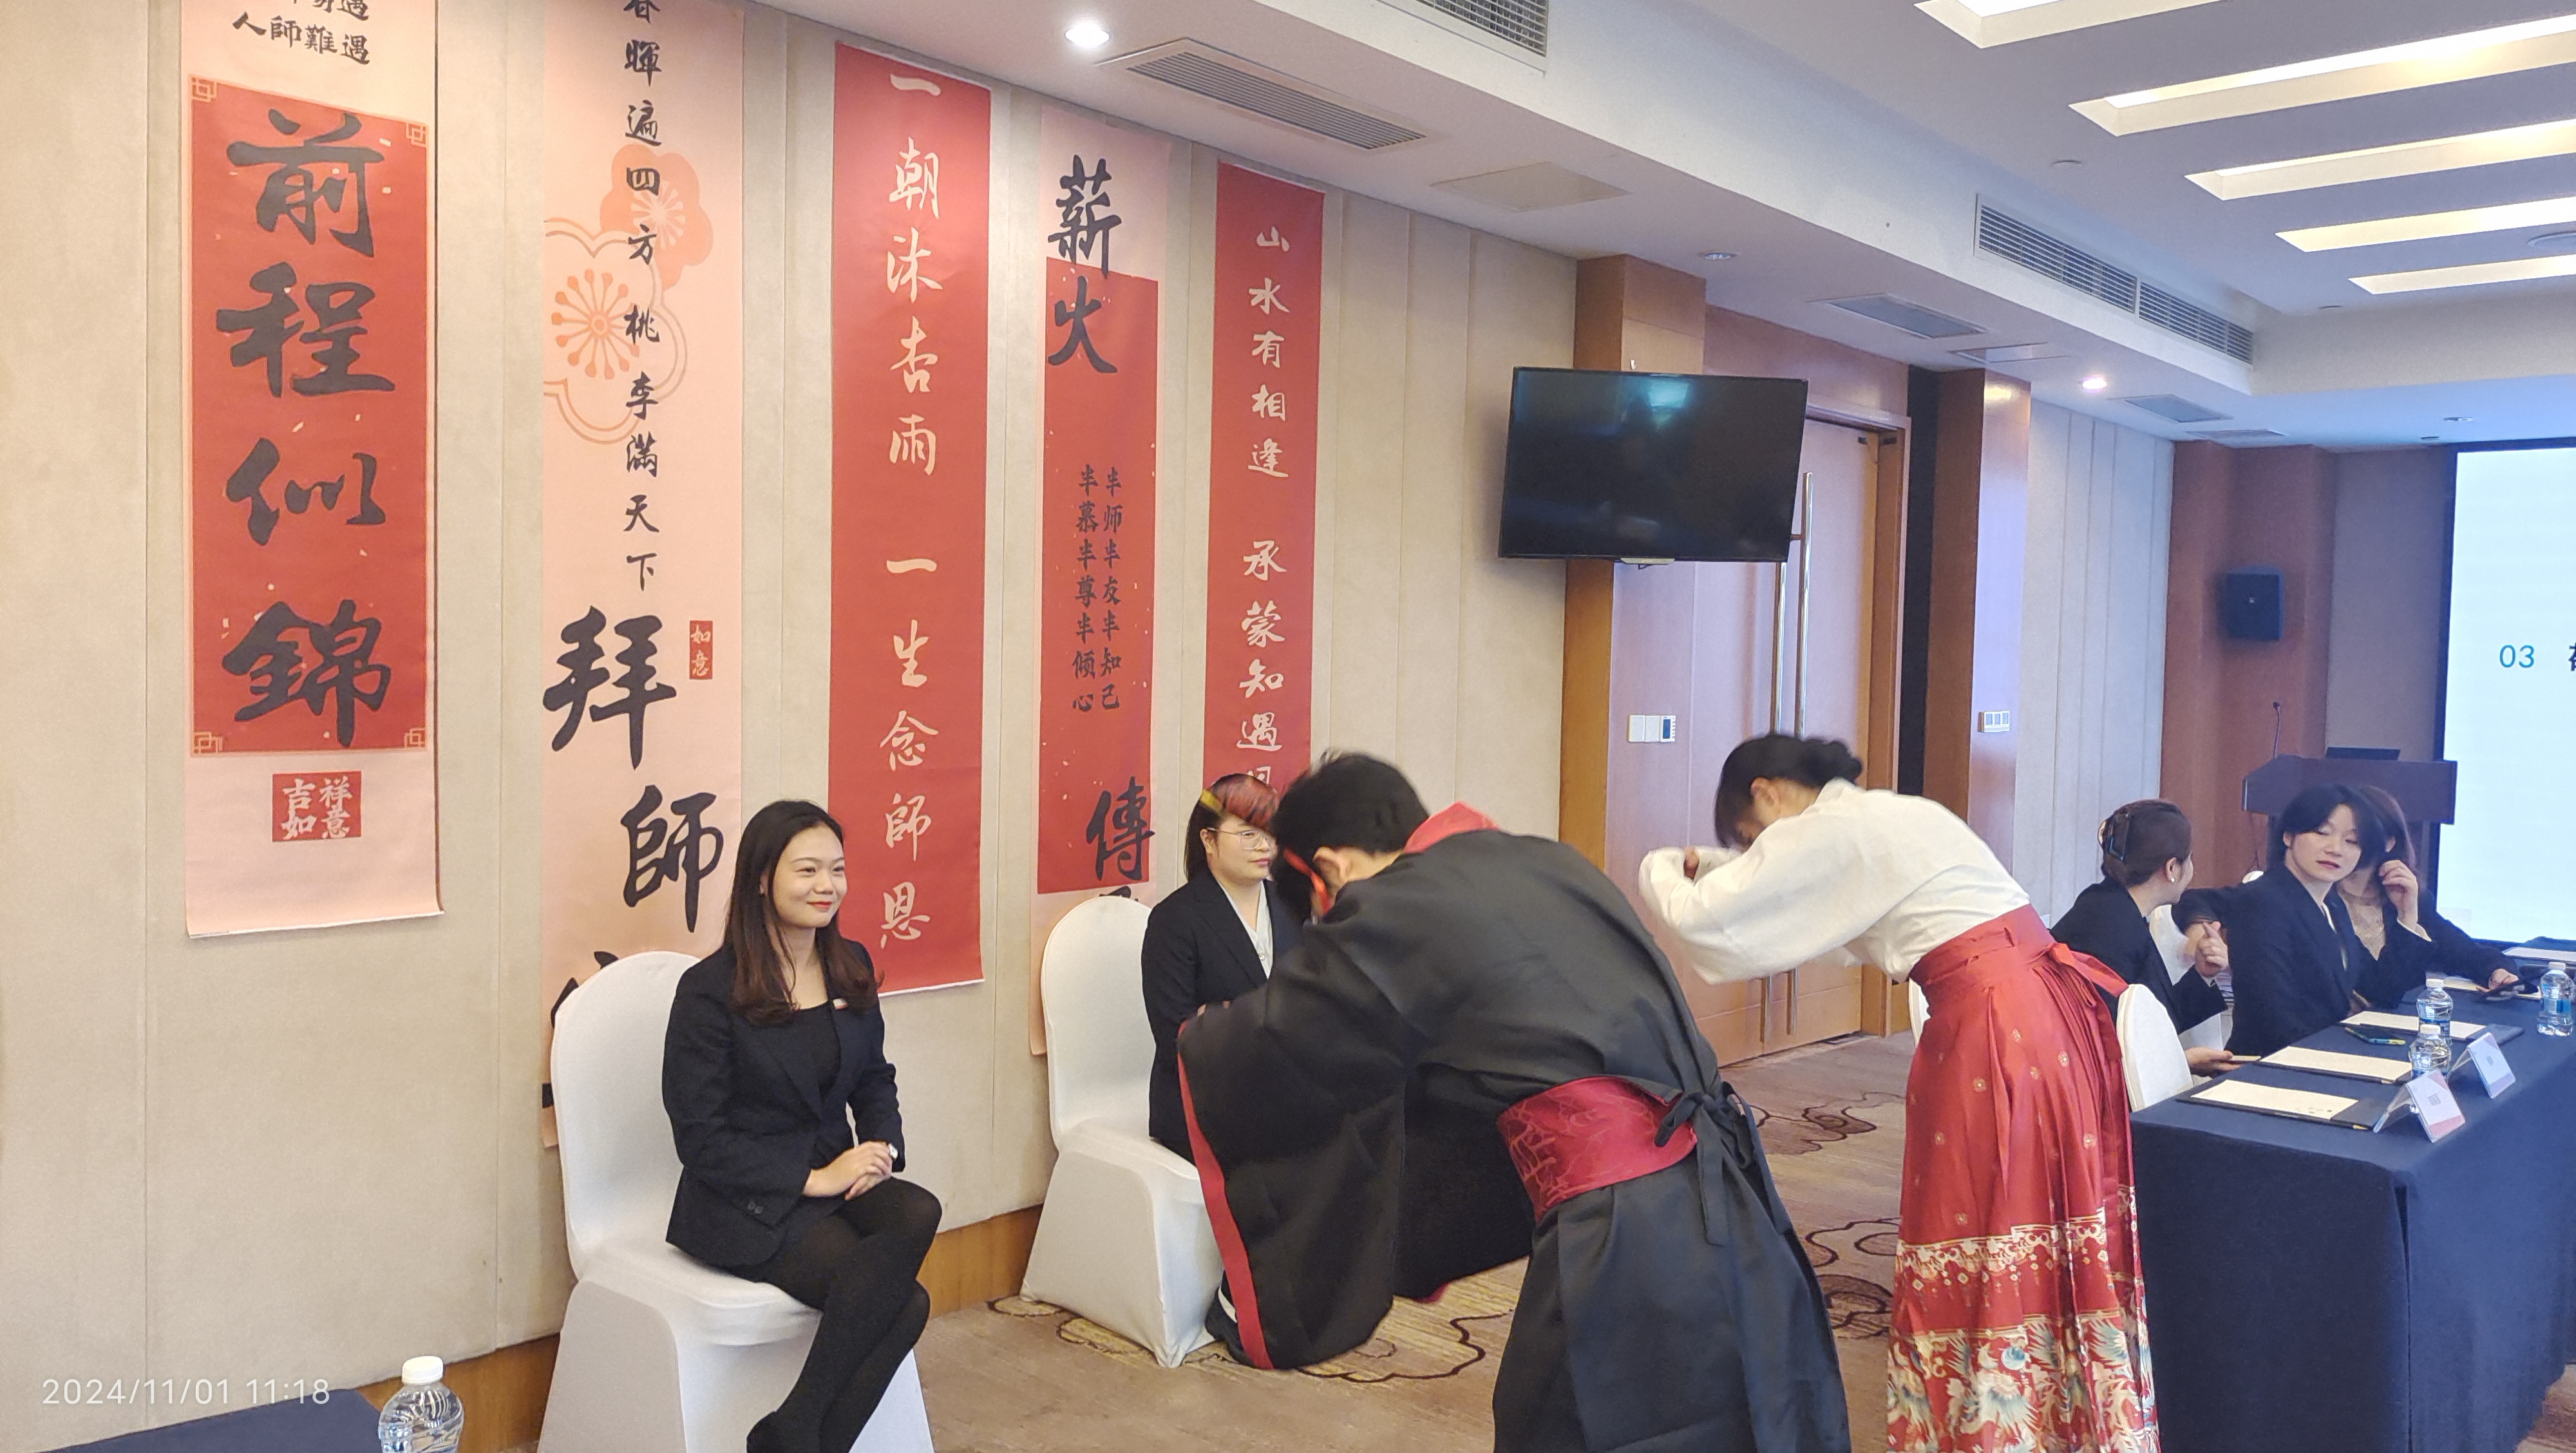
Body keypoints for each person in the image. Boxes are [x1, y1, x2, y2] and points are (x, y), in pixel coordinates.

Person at [1180, 753, 1848, 1453]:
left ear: (1331, 868)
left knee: (1585, 1425)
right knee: (1751, 1413)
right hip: (1735, 1195)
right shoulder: (1546, 862)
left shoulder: (1403, 904)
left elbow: (1277, 1044)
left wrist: (1201, 1035)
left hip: (1626, 1235)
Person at [1636, 734, 2153, 1453]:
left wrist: (1658, 867)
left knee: (1982, 1215)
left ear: (1766, 791)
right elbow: (1809, 897)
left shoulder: (1830, 830)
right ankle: (2065, 1419)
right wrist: (1725, 865)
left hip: (1995, 1026)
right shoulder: (1887, 814)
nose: (1759, 851)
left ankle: (1999, 1425)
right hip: (2044, 1011)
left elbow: (1717, 927)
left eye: (1752, 837)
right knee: (2043, 1214)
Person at [663, 801, 942, 1453]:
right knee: (907, 1303)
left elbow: (874, 1077)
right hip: (744, 1199)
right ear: (763, 879)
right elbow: (700, 1139)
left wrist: (882, 1145)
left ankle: (792, 1432)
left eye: (837, 870)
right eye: (808, 870)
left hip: (833, 1177)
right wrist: (813, 1179)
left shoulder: (848, 963)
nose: (827, 886)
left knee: (918, 1210)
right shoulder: (709, 991)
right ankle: (798, 1435)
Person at [1142, 775, 1304, 1158]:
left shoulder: (1292, 905)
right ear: (1209, 840)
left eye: (1270, 832)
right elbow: (1177, 1036)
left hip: (1287, 1091)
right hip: (1205, 1103)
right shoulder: (1174, 920)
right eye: (1248, 834)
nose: (1264, 845)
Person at [2174, 783, 2391, 1056]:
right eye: (2322, 833)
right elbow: (2274, 1018)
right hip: (2270, 1064)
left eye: (2352, 841)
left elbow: (2382, 987)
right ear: (2288, 836)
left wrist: (2408, 915)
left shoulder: (2332, 906)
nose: (2336, 849)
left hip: (2318, 1055)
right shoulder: (2263, 901)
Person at [2050, 799, 2236, 1070]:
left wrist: (2202, 974)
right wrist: (2180, 1063)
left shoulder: (2106, 905)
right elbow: (2113, 1049)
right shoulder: (2112, 931)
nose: (2192, 868)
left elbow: (2156, 1015)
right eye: (2189, 858)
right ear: (2172, 869)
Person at [2340, 783, 2518, 995]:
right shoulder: (2323, 898)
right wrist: (2407, 921)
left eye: (2352, 838)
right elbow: (2383, 989)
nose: (2337, 846)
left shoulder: (2402, 893)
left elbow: (2464, 951)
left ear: (2389, 843)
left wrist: (2498, 971)